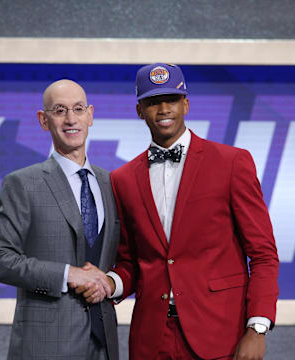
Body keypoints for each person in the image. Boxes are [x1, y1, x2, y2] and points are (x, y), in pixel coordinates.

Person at [107, 63, 279, 360]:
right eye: (152, 102)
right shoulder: (121, 179)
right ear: (139, 110)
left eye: (171, 99)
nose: (163, 109)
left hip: (220, 336)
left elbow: (263, 254)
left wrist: (258, 328)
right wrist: (108, 284)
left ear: (185, 104)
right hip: (151, 340)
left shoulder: (232, 163)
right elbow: (131, 261)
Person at [0, 79, 120, 360]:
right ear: (44, 121)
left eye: (78, 109)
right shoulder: (23, 183)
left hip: (103, 344)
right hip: (45, 345)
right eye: (60, 111)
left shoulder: (112, 183)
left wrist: (110, 282)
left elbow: (127, 257)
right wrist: (68, 274)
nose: (71, 119)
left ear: (90, 114)